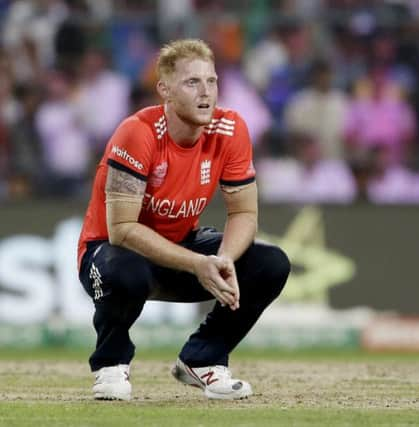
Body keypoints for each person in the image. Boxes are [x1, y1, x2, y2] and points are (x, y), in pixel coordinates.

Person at [76, 39, 290, 401]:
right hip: (110, 252)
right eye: (192, 82)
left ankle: (203, 360)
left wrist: (222, 259)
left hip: (180, 249)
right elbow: (122, 229)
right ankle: (111, 364)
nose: (206, 92)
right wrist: (197, 264)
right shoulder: (137, 133)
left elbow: (244, 213)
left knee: (270, 264)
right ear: (165, 90)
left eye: (212, 81)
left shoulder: (231, 129)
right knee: (123, 269)